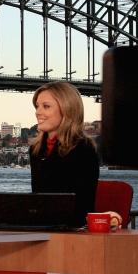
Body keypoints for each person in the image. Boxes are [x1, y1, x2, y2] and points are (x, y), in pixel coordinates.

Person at [29, 81, 99, 225]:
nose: (38, 112)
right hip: (42, 227)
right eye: (37, 106)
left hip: (72, 232)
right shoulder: (35, 150)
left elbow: (81, 206)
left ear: (67, 110)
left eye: (46, 106)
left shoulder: (83, 149)